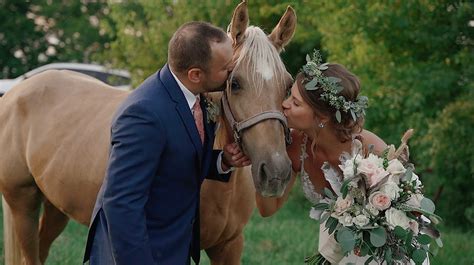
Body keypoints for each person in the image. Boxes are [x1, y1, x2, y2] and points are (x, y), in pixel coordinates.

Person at [83, 21, 250, 265]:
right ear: (195, 74)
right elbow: (120, 203)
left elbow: (177, 160)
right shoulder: (143, 115)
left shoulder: (195, 96)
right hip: (139, 252)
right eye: (226, 67)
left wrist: (222, 161)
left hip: (172, 244)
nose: (233, 69)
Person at [255, 51, 388, 264]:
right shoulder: (295, 145)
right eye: (289, 95)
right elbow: (267, 208)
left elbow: (404, 209)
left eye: (296, 103)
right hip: (334, 250)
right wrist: (263, 154)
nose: (284, 104)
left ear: (322, 117)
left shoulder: (368, 149)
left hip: (384, 250)